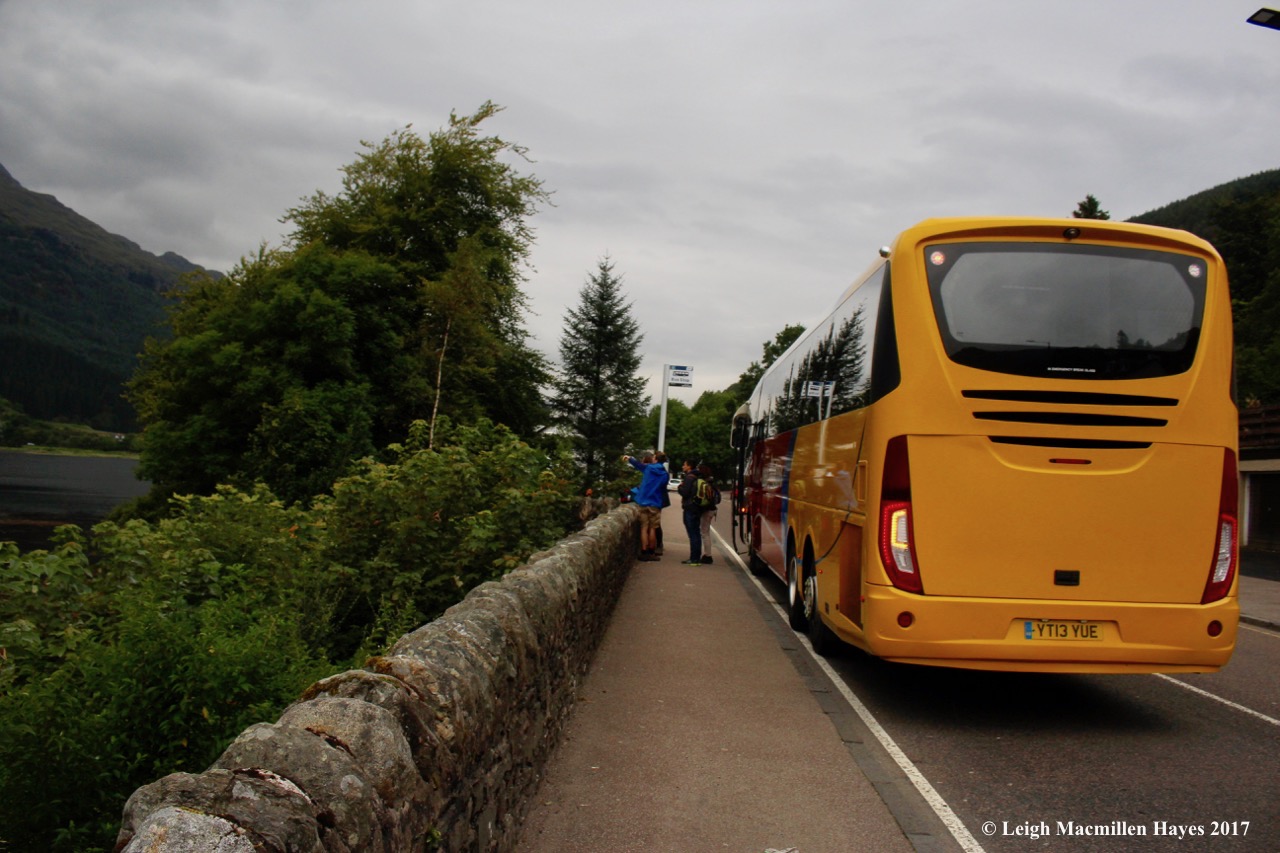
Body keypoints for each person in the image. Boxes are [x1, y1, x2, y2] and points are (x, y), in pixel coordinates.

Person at [624, 451, 668, 561]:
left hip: (643, 501)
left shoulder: (648, 468)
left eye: (653, 457)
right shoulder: (665, 474)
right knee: (653, 528)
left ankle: (643, 551)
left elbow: (638, 465)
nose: (652, 458)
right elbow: (662, 488)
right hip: (655, 502)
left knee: (644, 528)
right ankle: (651, 552)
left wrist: (629, 458)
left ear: (656, 459)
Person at [676, 458, 703, 565]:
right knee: (697, 533)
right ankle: (697, 557)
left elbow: (685, 493)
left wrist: (679, 488)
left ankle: (693, 558)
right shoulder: (697, 476)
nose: (683, 466)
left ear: (689, 466)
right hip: (697, 507)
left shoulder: (689, 478)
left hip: (690, 508)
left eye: (684, 465)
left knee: (692, 534)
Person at [696, 463, 718, 564]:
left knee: (704, 533)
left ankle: (708, 555)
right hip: (712, 509)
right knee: (706, 532)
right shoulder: (711, 482)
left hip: (707, 509)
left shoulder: (703, 483)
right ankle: (707, 554)